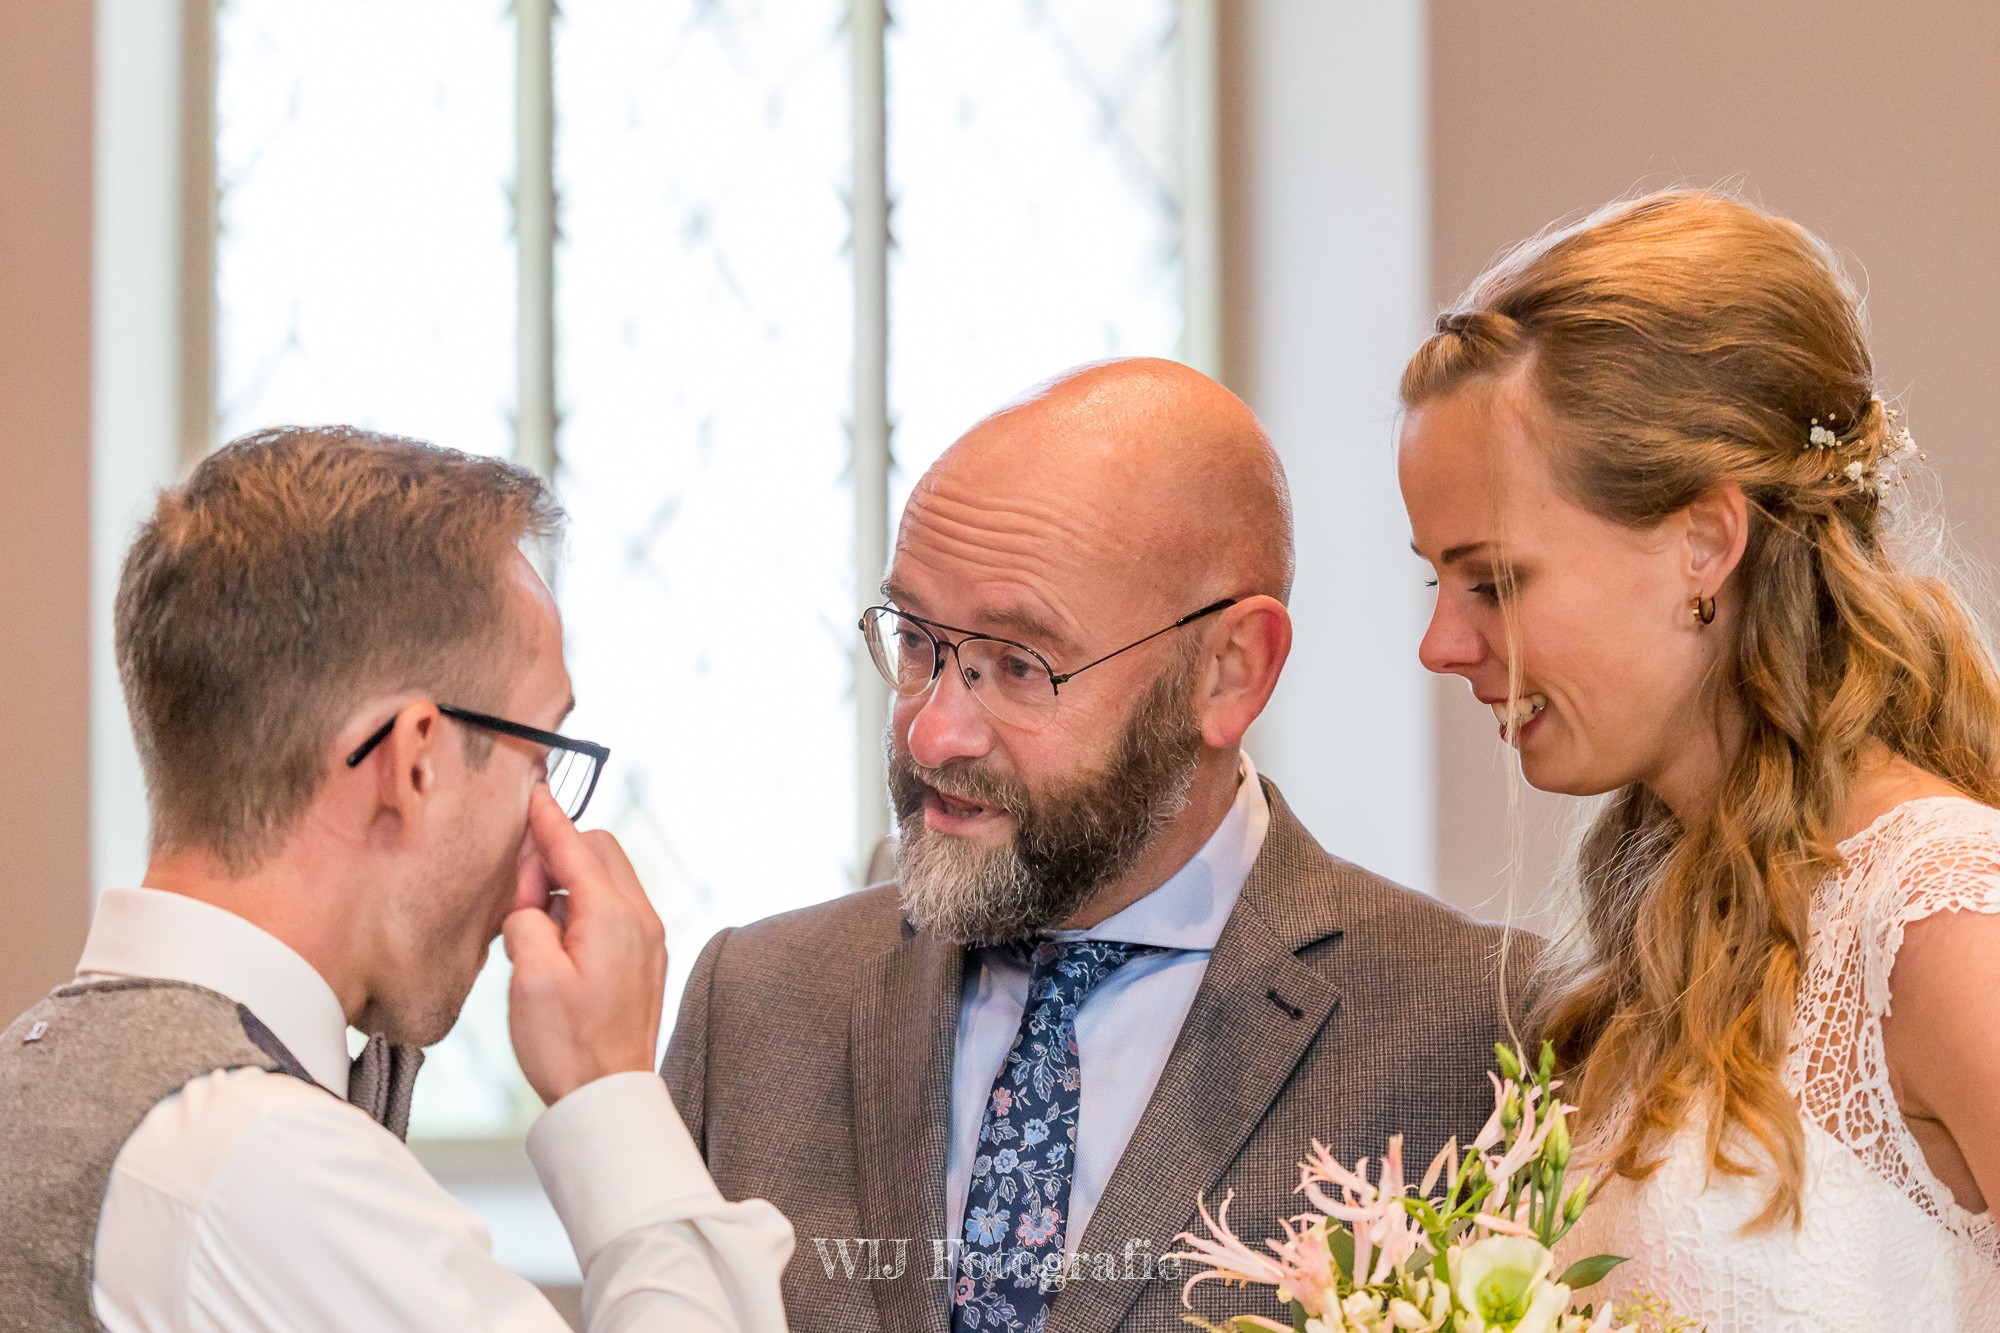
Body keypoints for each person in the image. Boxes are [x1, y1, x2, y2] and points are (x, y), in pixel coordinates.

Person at [664, 358, 1527, 1333]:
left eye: (1017, 665)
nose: (931, 732)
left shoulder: (1485, 1034)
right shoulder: (752, 1007)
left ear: (1229, 672)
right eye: (915, 641)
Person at [0, 428, 792, 1331]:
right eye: (540, 766)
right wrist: (612, 1092)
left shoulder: (40, 1076)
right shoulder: (262, 1169)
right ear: (416, 760)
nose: (552, 841)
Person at [1399, 190, 2000, 1328]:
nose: (1440, 643)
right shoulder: (1663, 930)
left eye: (1495, 580)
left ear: (1703, 543)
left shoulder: (1943, 921)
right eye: (1431, 581)